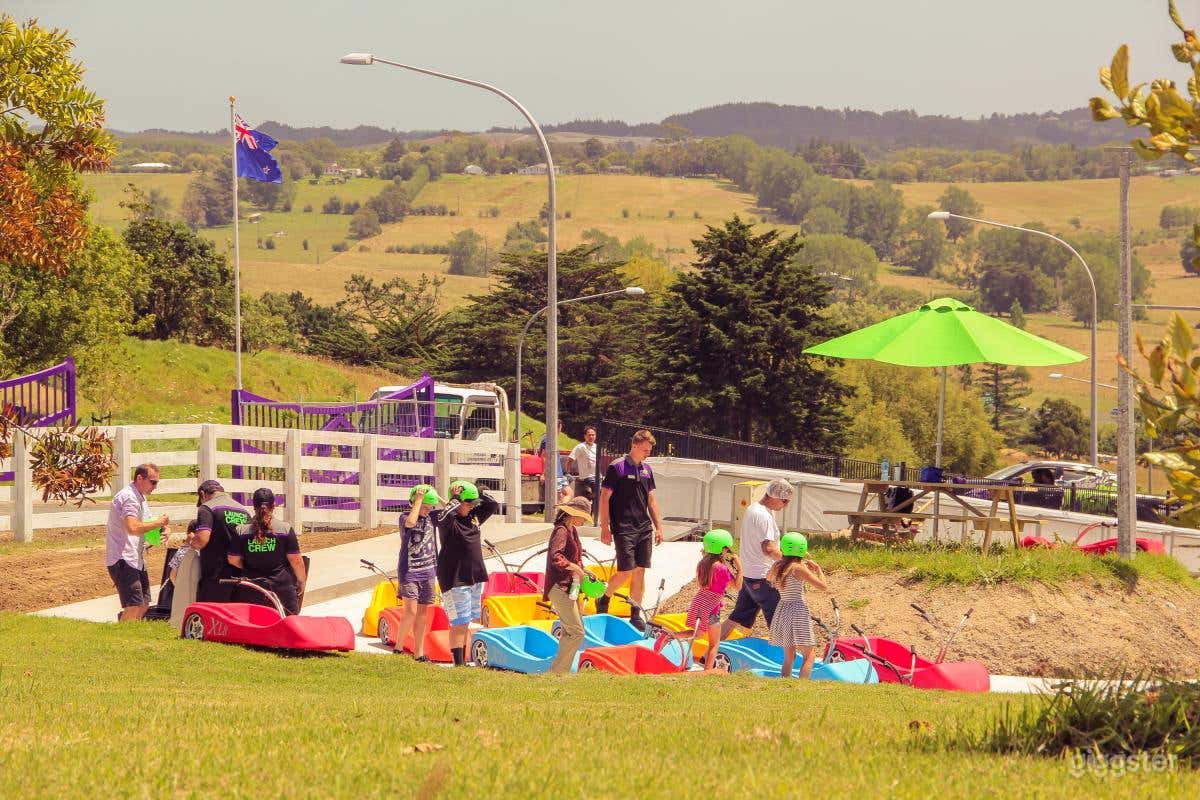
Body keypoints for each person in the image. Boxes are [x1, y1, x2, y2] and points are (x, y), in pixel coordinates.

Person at [597, 429, 664, 631]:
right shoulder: (616, 467)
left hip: (643, 527)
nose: (647, 453)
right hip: (623, 527)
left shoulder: (647, 470)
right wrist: (604, 527)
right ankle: (604, 599)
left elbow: (651, 500)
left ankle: (635, 612)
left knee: (639, 571)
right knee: (625, 570)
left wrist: (658, 527)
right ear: (634, 445)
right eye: (645, 450)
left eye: (649, 450)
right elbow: (604, 497)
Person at [435, 480, 498, 666]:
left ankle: (463, 660)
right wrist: (454, 498)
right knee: (459, 622)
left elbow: (492, 504)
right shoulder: (448, 521)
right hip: (455, 578)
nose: (471, 507)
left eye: (473, 503)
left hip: (474, 577)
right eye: (468, 503)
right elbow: (443, 515)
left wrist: (475, 491)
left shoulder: (473, 518)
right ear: (457, 502)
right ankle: (458, 663)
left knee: (467, 620)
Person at [720, 479, 792, 641]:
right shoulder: (764, 516)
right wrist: (791, 561)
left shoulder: (753, 508)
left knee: (737, 616)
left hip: (750, 575)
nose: (786, 505)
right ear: (774, 496)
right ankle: (784, 661)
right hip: (762, 577)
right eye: (785, 501)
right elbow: (768, 548)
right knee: (778, 621)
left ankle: (709, 651)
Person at [105, 463, 169, 622]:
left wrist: (164, 529)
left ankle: (128, 632)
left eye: (157, 483)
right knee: (133, 606)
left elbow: (147, 523)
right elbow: (132, 527)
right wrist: (159, 523)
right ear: (140, 478)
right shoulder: (129, 497)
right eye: (153, 482)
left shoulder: (140, 498)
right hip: (123, 559)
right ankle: (122, 640)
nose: (155, 486)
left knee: (144, 604)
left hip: (135, 559)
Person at [228, 488, 307, 616]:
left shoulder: (241, 530)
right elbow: (297, 561)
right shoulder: (285, 529)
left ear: (253, 506)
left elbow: (233, 559)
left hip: (252, 589)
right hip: (282, 590)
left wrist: (248, 566)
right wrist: (301, 582)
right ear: (274, 506)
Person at [767, 532, 827, 679]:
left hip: (783, 609)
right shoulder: (799, 568)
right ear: (802, 549)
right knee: (809, 655)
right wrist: (818, 570)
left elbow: (768, 578)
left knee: (789, 657)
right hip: (798, 610)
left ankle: (785, 682)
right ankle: (802, 685)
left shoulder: (778, 566)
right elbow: (823, 586)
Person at [544, 496, 592, 674]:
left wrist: (583, 570)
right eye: (583, 517)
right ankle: (557, 673)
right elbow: (556, 557)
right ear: (574, 514)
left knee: (568, 631)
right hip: (559, 586)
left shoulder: (572, 530)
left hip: (568, 586)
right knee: (577, 631)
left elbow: (575, 557)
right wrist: (574, 568)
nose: (584, 521)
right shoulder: (562, 531)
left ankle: (560, 672)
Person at [393, 484, 441, 662]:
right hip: (409, 572)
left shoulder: (432, 517)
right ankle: (398, 647)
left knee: (422, 612)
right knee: (410, 611)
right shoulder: (404, 517)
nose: (429, 510)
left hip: (428, 571)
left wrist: (439, 498)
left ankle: (418, 652)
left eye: (431, 507)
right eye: (426, 507)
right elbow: (411, 523)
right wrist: (418, 501)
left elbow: (451, 511)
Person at [687, 529, 743, 669]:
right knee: (714, 643)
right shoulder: (721, 568)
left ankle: (671, 636)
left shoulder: (702, 564)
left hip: (699, 603)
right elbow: (737, 586)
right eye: (727, 548)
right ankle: (707, 670)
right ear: (722, 549)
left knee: (696, 634)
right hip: (712, 608)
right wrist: (740, 569)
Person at [192, 479, 251, 603]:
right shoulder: (244, 510)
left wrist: (191, 541)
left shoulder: (207, 507)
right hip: (241, 575)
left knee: (212, 616)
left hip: (216, 576)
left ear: (203, 494)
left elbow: (202, 539)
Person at [567, 426, 598, 500]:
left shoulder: (597, 447)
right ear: (585, 436)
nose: (591, 437)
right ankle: (588, 497)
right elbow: (569, 460)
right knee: (598, 490)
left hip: (597, 476)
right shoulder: (580, 447)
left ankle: (590, 501)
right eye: (589, 435)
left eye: (593, 435)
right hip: (587, 477)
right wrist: (567, 473)